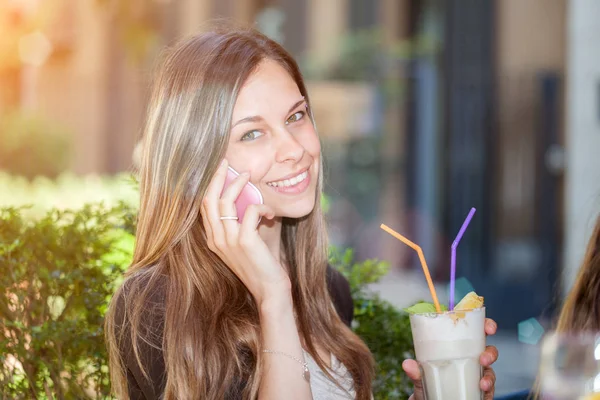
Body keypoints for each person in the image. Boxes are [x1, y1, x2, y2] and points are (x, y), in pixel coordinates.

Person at [104, 24, 499, 399]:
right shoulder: (156, 304)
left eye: (296, 116)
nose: (295, 148)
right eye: (252, 133)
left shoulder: (328, 290)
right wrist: (273, 297)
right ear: (195, 166)